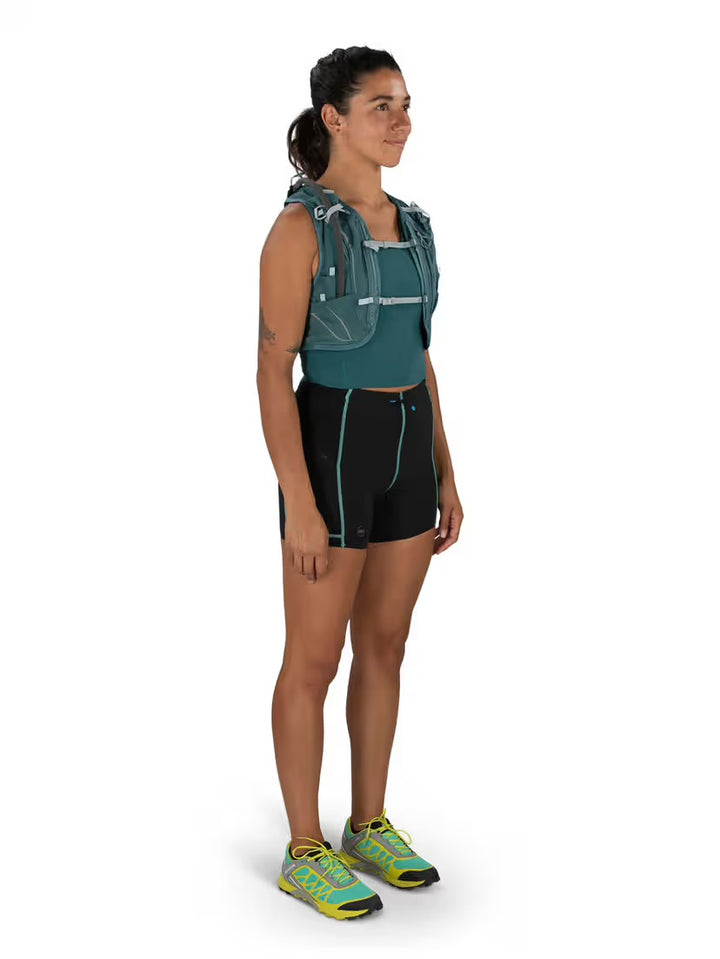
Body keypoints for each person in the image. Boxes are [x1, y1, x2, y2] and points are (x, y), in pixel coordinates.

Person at [257, 45, 464, 921]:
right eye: (382, 105)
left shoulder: (413, 225)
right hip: (333, 444)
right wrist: (299, 503)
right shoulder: (299, 230)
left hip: (408, 442)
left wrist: (445, 467)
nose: (402, 121)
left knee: (385, 647)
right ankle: (304, 849)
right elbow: (272, 374)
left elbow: (419, 353)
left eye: (406, 104)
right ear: (333, 118)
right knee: (315, 657)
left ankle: (366, 822)